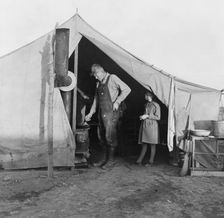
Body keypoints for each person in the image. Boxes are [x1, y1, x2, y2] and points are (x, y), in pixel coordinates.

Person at [85, 64, 131, 168]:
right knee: (101, 136)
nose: (95, 78)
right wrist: (91, 113)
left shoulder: (112, 78)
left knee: (110, 137)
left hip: (112, 113)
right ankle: (104, 159)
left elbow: (127, 89)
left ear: (100, 72)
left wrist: (118, 102)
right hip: (102, 113)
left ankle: (111, 161)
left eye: (96, 75)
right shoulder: (98, 83)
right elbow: (96, 100)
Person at [136, 92, 161, 166]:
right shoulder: (146, 104)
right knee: (144, 143)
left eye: (145, 95)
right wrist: (142, 116)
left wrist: (147, 116)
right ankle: (139, 160)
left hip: (152, 126)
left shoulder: (156, 105)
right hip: (145, 125)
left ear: (149, 96)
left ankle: (151, 162)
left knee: (152, 144)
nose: (144, 96)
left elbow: (158, 117)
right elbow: (146, 114)